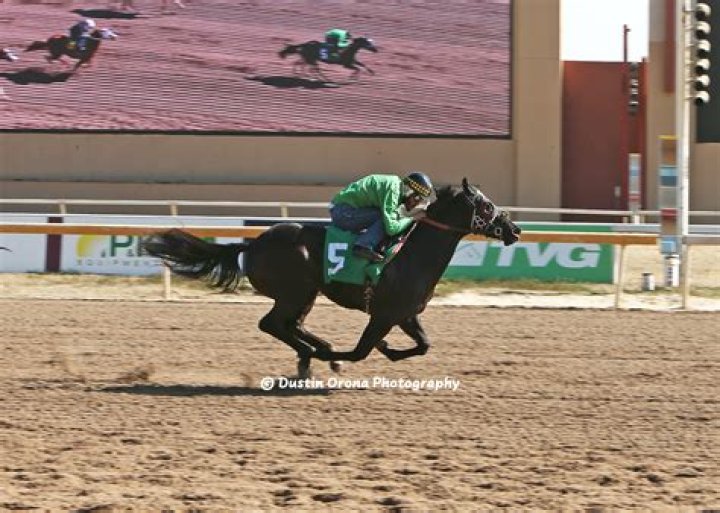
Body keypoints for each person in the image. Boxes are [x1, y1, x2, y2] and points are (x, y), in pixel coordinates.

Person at [329, 172, 434, 263]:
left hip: (344, 209)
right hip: (342, 212)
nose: (416, 204)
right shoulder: (393, 190)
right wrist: (413, 218)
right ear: (409, 190)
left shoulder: (395, 186)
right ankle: (362, 246)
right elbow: (391, 228)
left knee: (387, 217)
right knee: (385, 219)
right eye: (417, 198)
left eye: (420, 201)